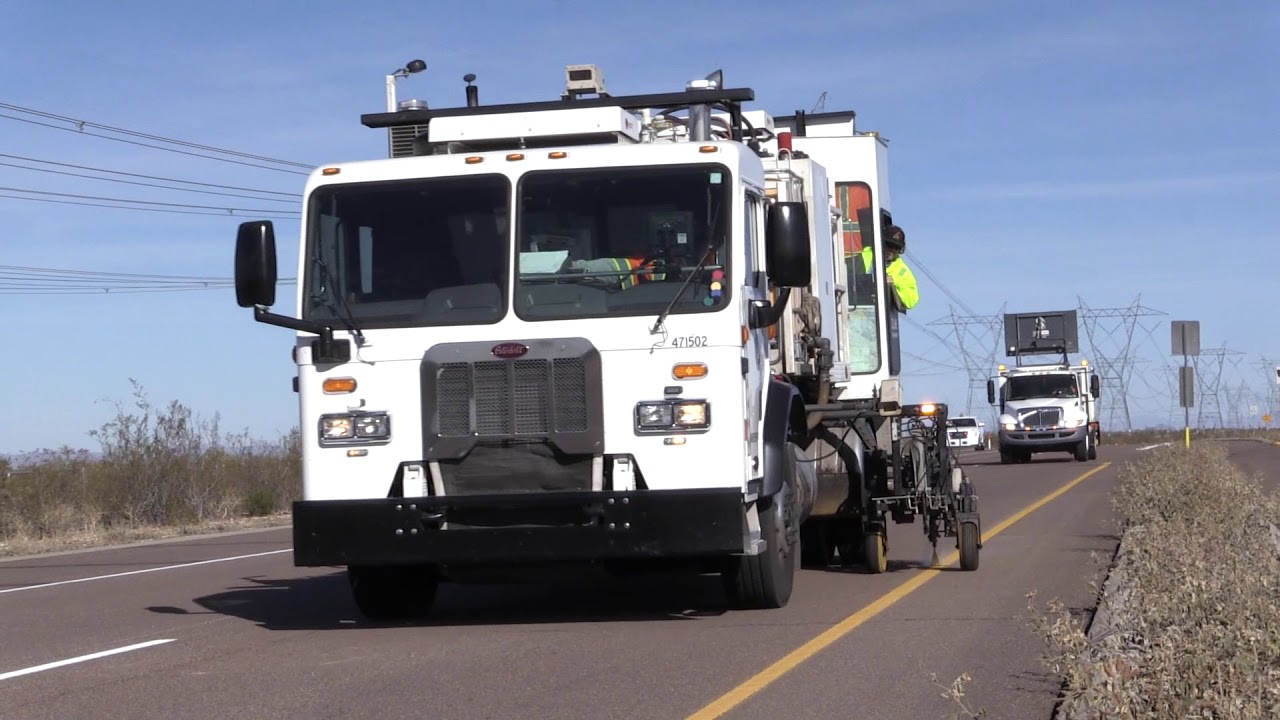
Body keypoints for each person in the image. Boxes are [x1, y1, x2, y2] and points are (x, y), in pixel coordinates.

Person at [859, 224, 919, 311]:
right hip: (857, 311)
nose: (891, 250)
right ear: (880, 242)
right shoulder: (862, 258)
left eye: (896, 247)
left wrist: (893, 282)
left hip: (881, 316)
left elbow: (911, 301)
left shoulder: (903, 271)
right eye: (888, 244)